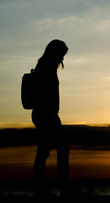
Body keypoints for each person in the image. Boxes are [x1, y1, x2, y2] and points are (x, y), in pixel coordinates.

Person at [32, 39, 69, 196]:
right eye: (61, 54)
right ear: (55, 52)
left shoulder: (45, 65)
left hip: (46, 114)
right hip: (46, 114)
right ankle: (63, 189)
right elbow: (45, 93)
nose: (62, 58)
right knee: (59, 149)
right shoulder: (46, 67)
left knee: (44, 151)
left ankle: (40, 189)